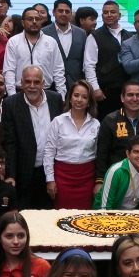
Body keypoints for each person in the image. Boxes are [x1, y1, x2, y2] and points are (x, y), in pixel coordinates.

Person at [0, 65, 64, 209]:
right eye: (28, 82)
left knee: (48, 217)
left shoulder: (56, 99)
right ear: (21, 83)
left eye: (36, 82)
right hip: (24, 174)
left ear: (43, 83)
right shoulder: (11, 104)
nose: (32, 86)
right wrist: (10, 175)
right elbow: (10, 143)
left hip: (51, 172)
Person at [42, 80, 100, 208]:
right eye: (76, 95)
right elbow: (49, 151)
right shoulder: (58, 121)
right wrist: (50, 179)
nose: (79, 100)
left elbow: (97, 155)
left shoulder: (96, 124)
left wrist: (98, 181)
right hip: (62, 177)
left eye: (84, 97)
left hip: (87, 178)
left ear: (89, 101)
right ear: (70, 98)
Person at [97, 135, 139, 211]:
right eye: (136, 152)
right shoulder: (115, 171)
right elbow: (105, 208)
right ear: (128, 154)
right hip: (111, 216)